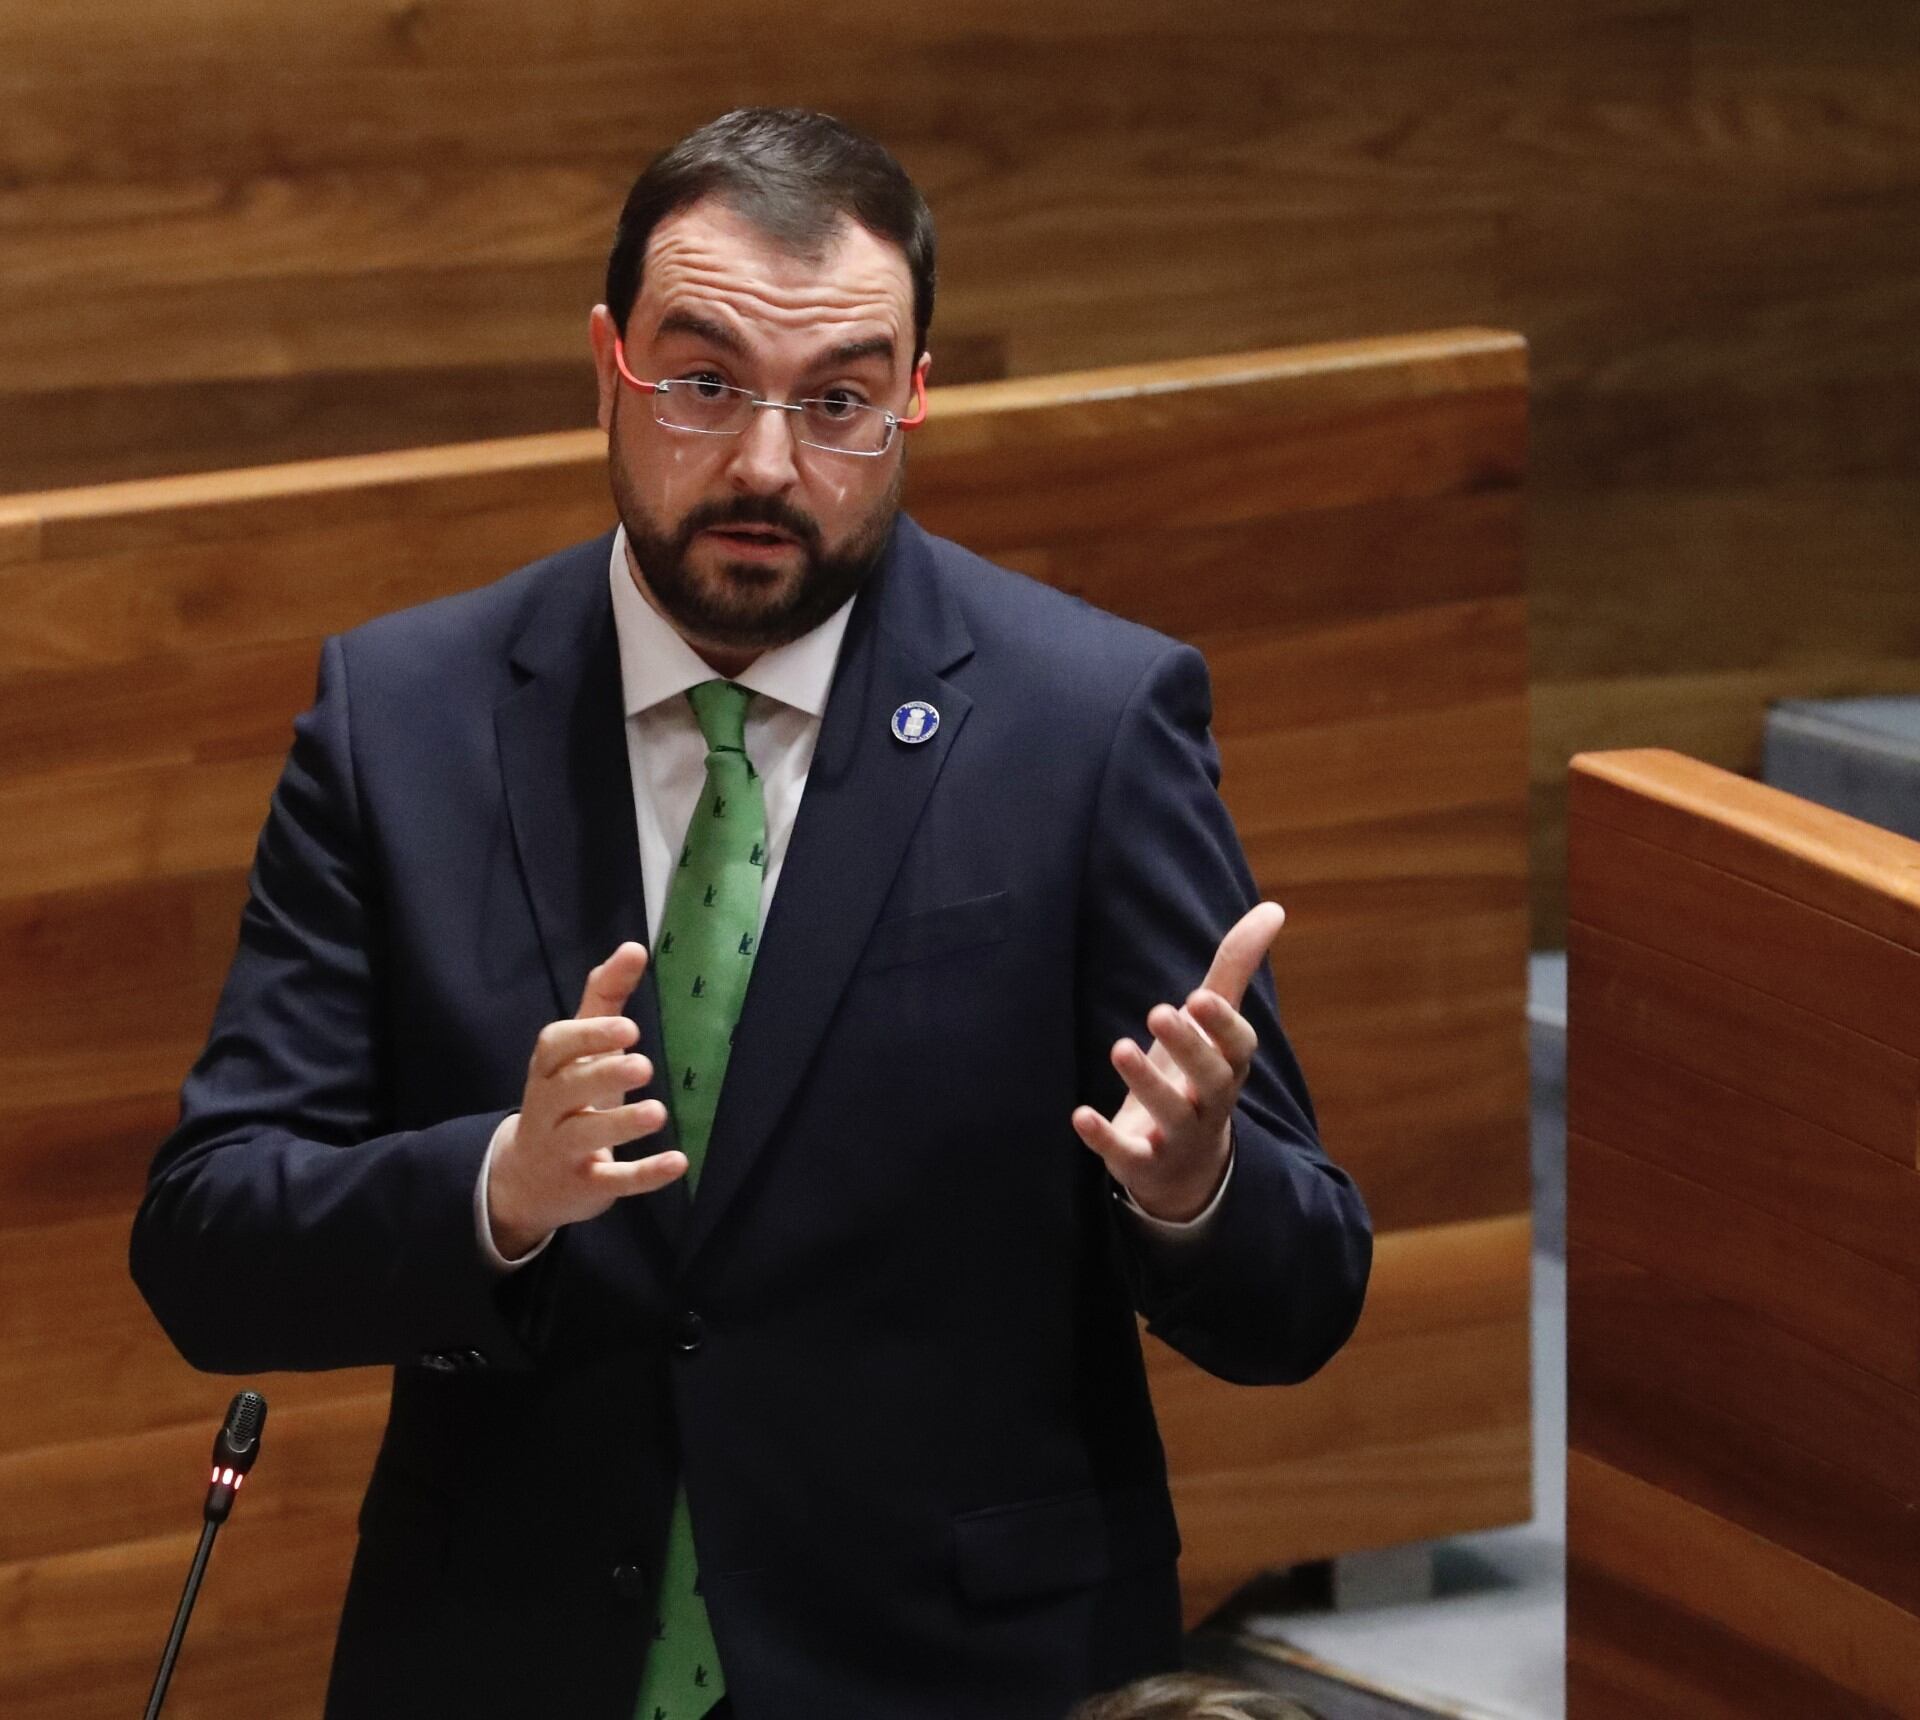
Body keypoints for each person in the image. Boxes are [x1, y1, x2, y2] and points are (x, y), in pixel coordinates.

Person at [129, 108, 1371, 1720]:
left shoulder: (1089, 723)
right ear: (608, 367)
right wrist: (498, 1187)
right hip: (507, 1661)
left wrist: (1197, 1193)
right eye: (704, 383)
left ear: (916, 399)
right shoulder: (404, 719)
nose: (769, 464)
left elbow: (1307, 1295)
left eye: (841, 401)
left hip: (957, 1672)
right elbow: (208, 1243)